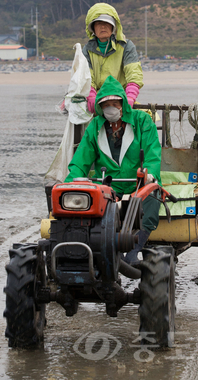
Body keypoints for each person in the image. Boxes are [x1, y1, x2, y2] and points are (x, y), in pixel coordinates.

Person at [65, 75, 161, 266]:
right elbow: (80, 161)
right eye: (105, 103)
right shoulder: (95, 127)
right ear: (100, 107)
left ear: (123, 103)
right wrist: (71, 182)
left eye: (114, 102)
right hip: (108, 187)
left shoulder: (142, 121)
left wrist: (149, 174)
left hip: (138, 185)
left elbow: (153, 153)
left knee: (152, 199)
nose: (111, 107)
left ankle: (134, 250)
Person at [83, 3, 144, 113]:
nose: (103, 26)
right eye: (98, 23)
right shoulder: (87, 50)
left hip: (121, 98)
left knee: (145, 118)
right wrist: (91, 95)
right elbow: (86, 76)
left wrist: (129, 97)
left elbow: (134, 74)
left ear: (113, 26)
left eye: (107, 23)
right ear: (92, 27)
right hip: (97, 100)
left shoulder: (126, 46)